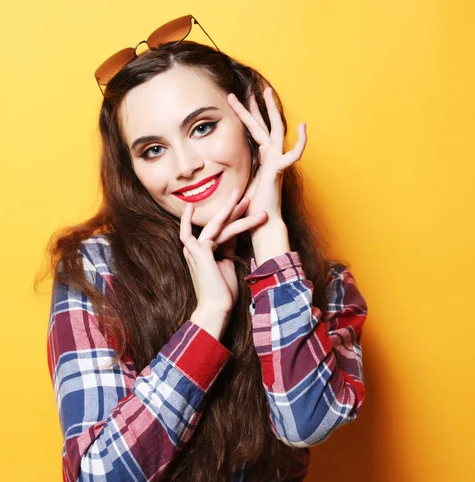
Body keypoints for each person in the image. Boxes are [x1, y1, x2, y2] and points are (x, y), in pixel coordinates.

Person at [39, 15, 368, 482]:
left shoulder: (324, 285)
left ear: (254, 125)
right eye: (153, 150)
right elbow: (98, 474)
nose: (187, 166)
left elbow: (306, 423)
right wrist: (209, 315)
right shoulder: (96, 268)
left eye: (202, 127)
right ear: (132, 171)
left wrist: (270, 236)